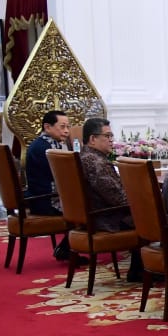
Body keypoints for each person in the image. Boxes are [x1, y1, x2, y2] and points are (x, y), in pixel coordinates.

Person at [78, 118, 144, 282]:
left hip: (95, 215)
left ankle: (140, 266)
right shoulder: (97, 162)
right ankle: (142, 269)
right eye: (107, 136)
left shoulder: (84, 156)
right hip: (107, 219)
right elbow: (118, 198)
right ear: (93, 139)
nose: (111, 140)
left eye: (112, 136)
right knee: (150, 215)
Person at [24, 108, 78, 262]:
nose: (67, 131)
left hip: (49, 195)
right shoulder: (43, 149)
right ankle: (66, 249)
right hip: (45, 200)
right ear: (47, 127)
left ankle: (67, 247)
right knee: (87, 209)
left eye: (68, 127)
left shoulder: (53, 144)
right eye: (62, 127)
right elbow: (63, 176)